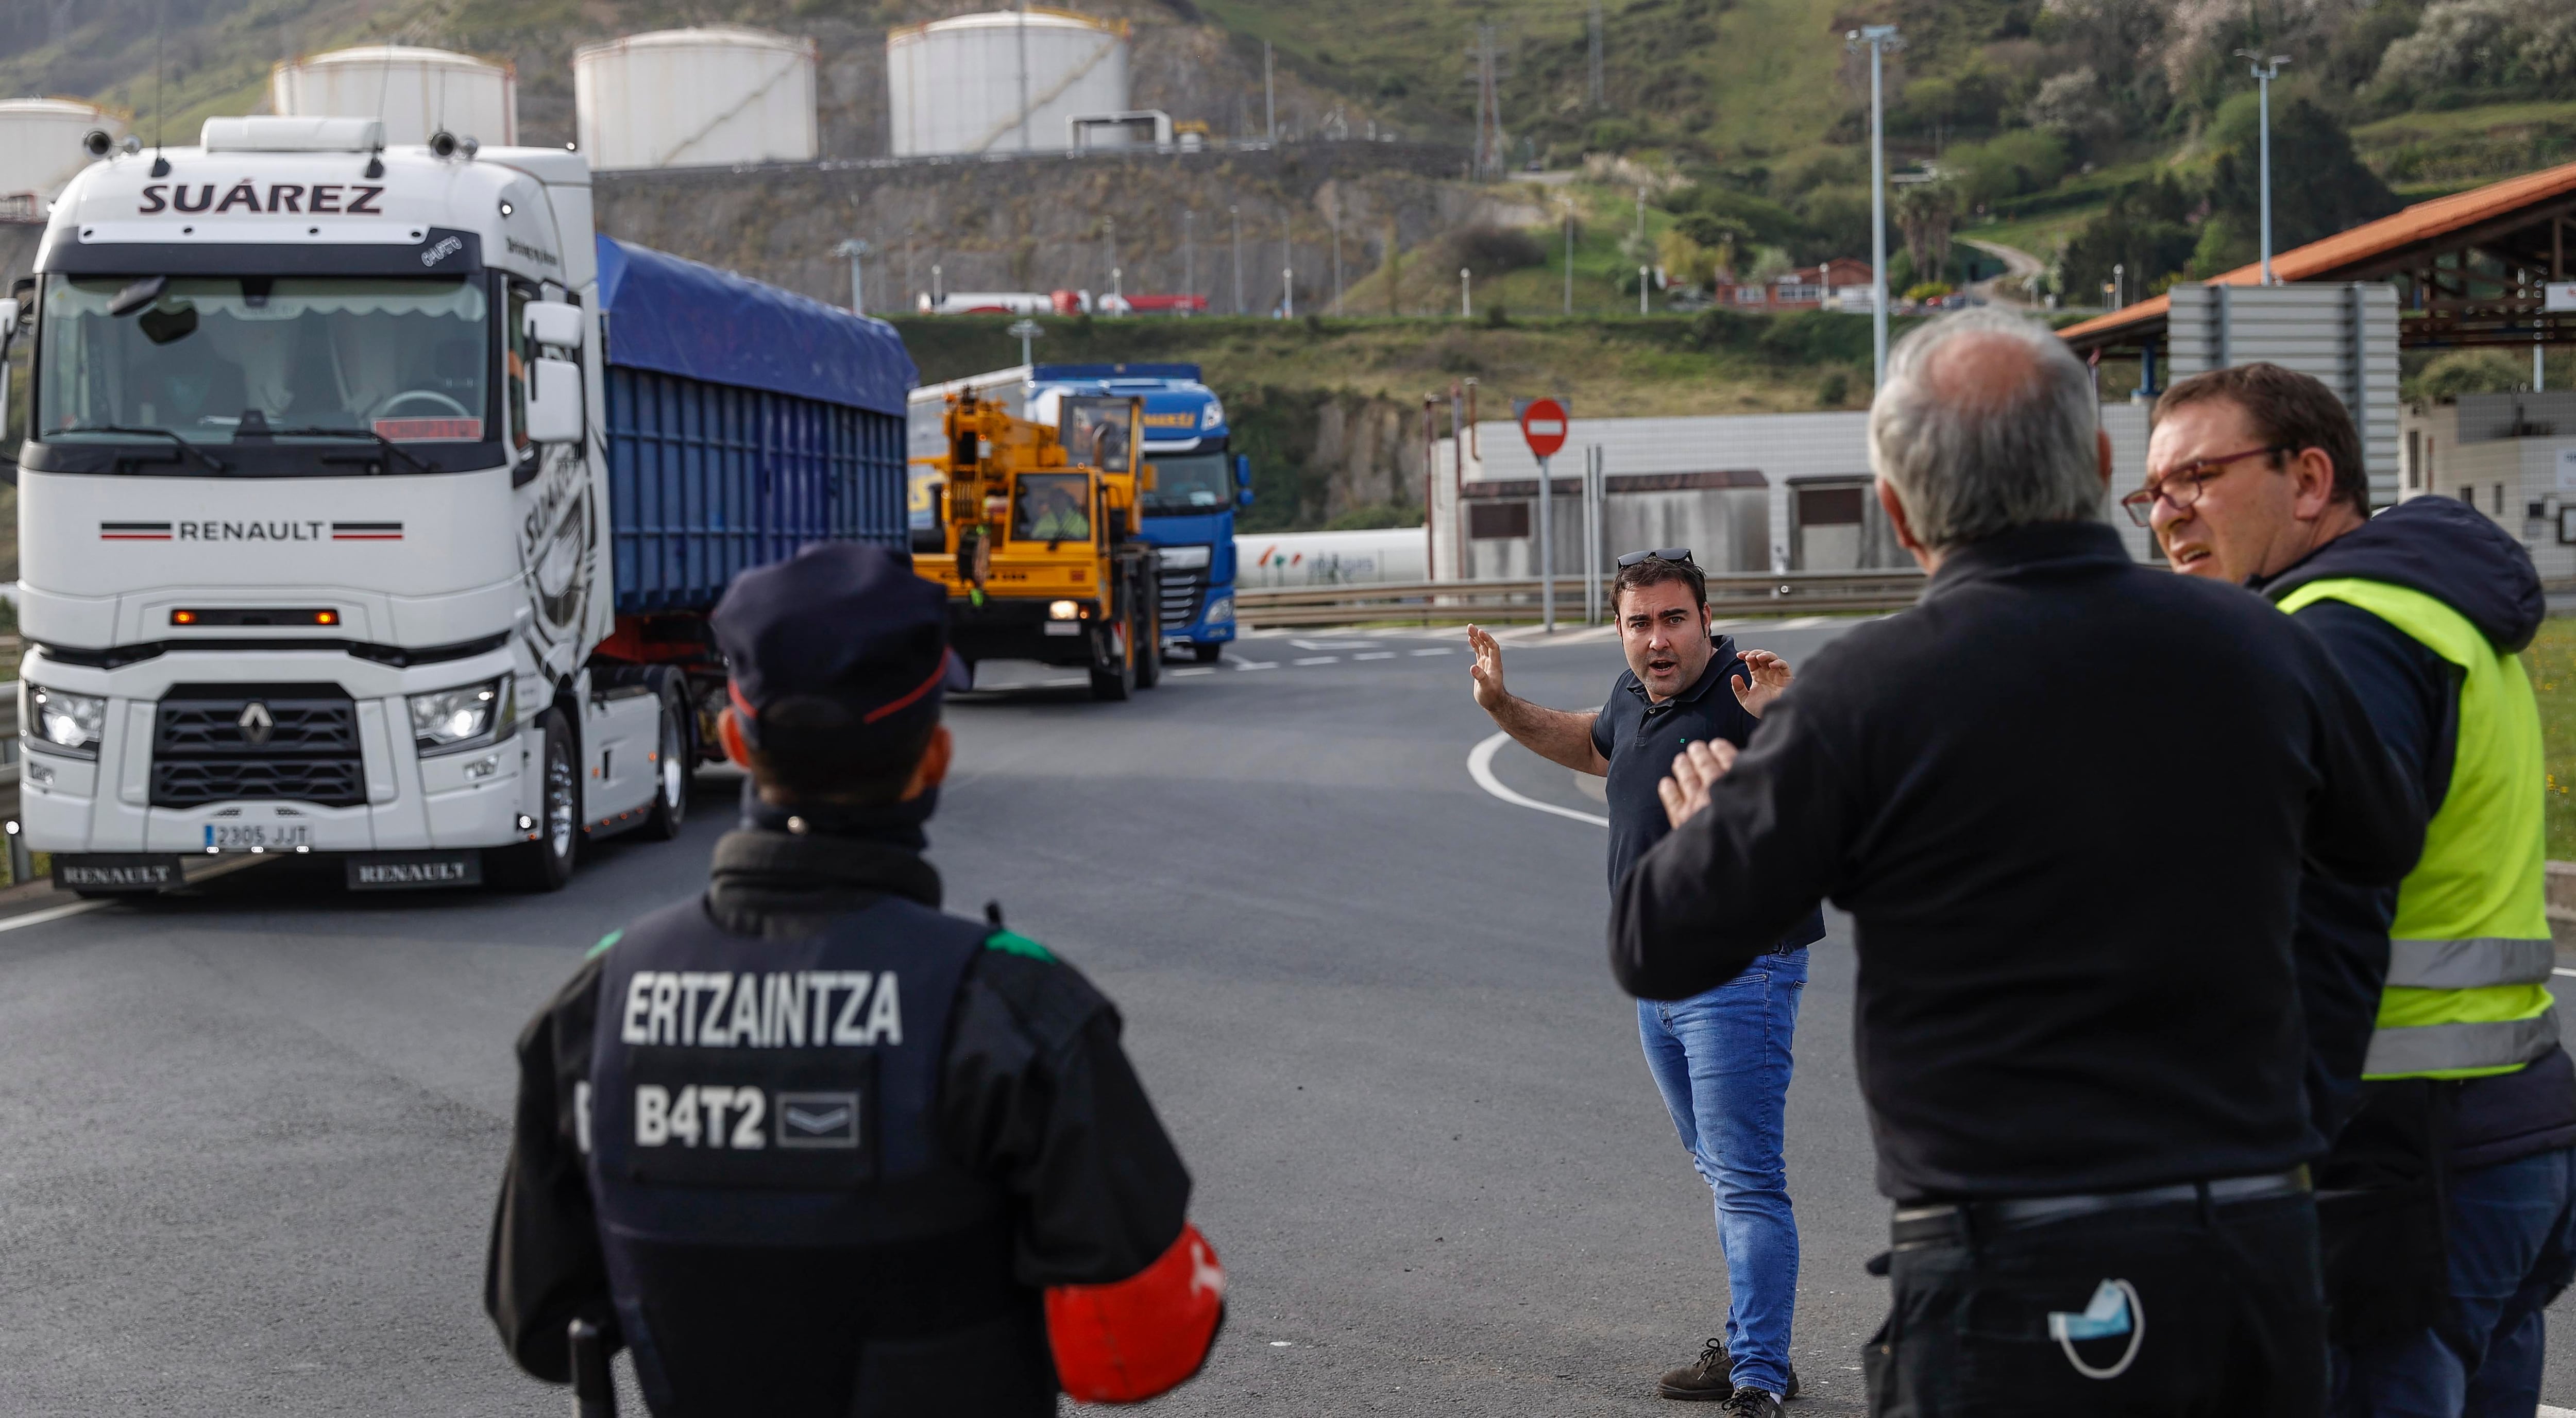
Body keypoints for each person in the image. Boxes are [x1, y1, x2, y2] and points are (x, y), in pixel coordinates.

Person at [1609, 309, 2425, 1418]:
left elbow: (1657, 944)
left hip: (1996, 1260)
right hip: (2242, 1239)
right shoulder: (2263, 647)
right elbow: (2381, 853)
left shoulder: (1862, 698)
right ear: (2095, 466)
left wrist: (1716, 822)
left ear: (1898, 513)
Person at [483, 541, 1225, 1416]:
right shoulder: (1008, 1008)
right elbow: (1136, 1351)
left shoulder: (601, 1000)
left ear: (733, 738)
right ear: (936, 758)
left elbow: (540, 1323)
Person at [2139, 362, 2575, 1417]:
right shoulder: (2433, 613)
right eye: (2151, 491)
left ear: (2307, 478)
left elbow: (2320, 914)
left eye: (2197, 474)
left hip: (2397, 1157)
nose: (2167, 512)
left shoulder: (2339, 637)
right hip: (2503, 1133)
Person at [1466, 557, 1813, 1416]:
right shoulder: (1633, 697)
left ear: (1706, 618)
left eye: (1673, 619)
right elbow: (1588, 740)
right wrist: (1503, 706)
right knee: (1721, 1167)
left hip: (1739, 967)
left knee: (1747, 1177)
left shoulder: (1748, 694)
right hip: (1660, 973)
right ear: (1622, 629)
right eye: (1639, 623)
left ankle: (1760, 1373)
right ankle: (1750, 1340)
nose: (1657, 639)